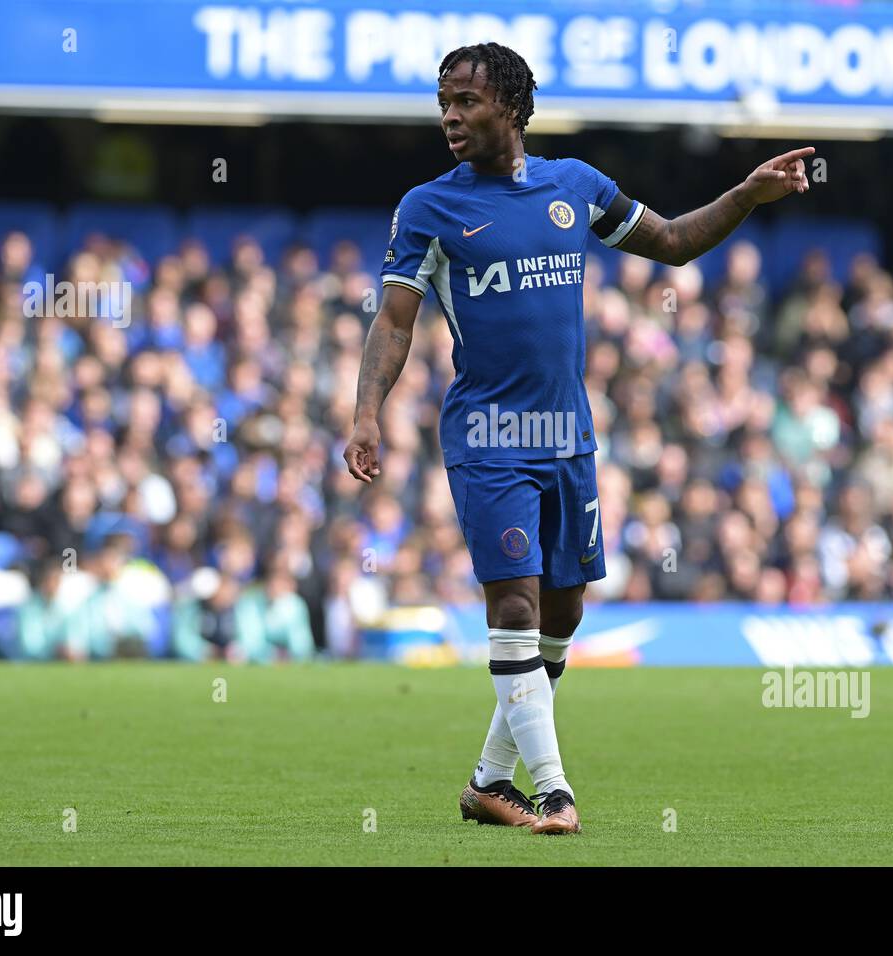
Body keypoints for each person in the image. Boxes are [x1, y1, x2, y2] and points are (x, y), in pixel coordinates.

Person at [344, 41, 812, 835]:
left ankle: (491, 781)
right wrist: (364, 411)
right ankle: (554, 792)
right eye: (444, 104)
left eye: (467, 102)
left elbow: (670, 242)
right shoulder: (428, 207)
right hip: (489, 435)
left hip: (568, 435)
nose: (452, 118)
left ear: (514, 108)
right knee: (517, 602)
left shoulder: (575, 187)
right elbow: (395, 321)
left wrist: (744, 195)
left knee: (563, 614)